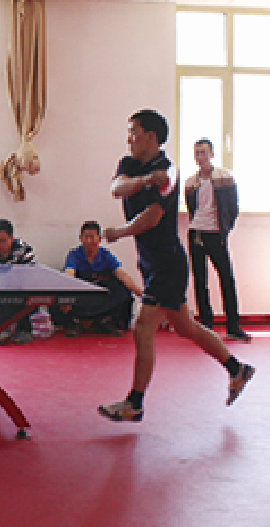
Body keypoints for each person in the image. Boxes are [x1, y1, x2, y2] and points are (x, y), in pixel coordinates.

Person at [98, 109, 254, 423]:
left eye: (134, 132)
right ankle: (237, 369)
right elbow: (117, 187)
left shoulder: (169, 171)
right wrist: (145, 180)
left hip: (167, 263)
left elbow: (153, 217)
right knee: (185, 327)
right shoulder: (129, 164)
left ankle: (134, 403)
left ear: (151, 136)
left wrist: (120, 232)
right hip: (150, 261)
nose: (129, 139)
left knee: (143, 328)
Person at [185, 138, 250, 342]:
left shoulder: (225, 178)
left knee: (226, 279)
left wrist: (224, 232)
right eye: (197, 153)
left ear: (212, 154)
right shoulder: (191, 182)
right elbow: (191, 208)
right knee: (200, 280)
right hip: (196, 231)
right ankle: (206, 324)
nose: (200, 157)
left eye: (203, 152)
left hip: (216, 234)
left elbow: (232, 208)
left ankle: (233, 326)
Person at [54, 221, 142, 337]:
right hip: (82, 295)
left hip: (100, 295)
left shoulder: (106, 255)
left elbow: (123, 275)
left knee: (124, 291)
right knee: (58, 291)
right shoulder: (74, 254)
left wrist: (143, 295)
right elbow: (69, 275)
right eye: (86, 237)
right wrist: (66, 298)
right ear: (81, 238)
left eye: (92, 237)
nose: (89, 241)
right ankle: (73, 324)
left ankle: (107, 322)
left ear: (99, 239)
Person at [0, 218, 35, 344]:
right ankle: (0, 330)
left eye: (2, 241)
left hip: (19, 289)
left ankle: (24, 329)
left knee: (23, 294)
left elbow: (28, 276)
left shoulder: (25, 250)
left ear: (11, 238)